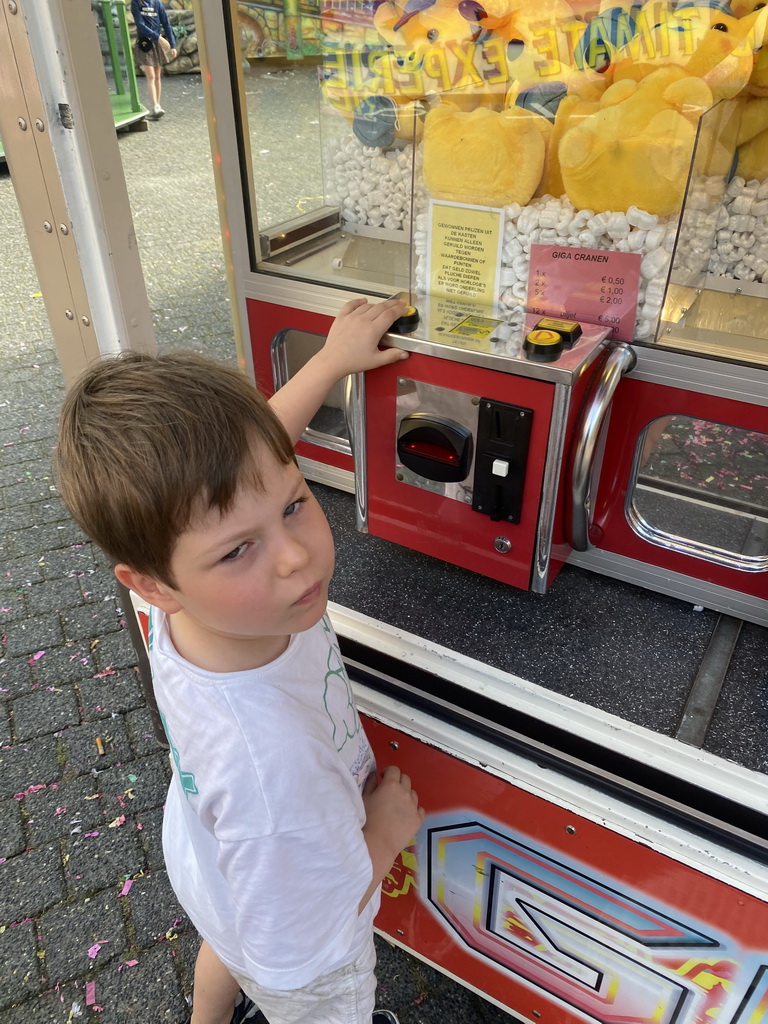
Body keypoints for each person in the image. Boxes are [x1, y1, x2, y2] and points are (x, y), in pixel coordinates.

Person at [54, 297, 426, 1024]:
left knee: (224, 943)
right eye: (238, 550)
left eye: (293, 504)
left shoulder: (184, 603)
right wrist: (381, 835)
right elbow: (308, 930)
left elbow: (251, 468)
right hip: (304, 961)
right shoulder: (273, 764)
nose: (295, 557)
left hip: (213, 867)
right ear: (154, 583)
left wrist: (328, 361)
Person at [132, 0, 177, 119]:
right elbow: (140, 25)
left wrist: (172, 45)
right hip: (145, 42)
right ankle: (155, 105)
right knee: (150, 75)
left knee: (157, 74)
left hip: (156, 43)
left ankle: (157, 105)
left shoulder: (157, 3)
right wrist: (159, 38)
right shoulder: (137, 3)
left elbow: (166, 24)